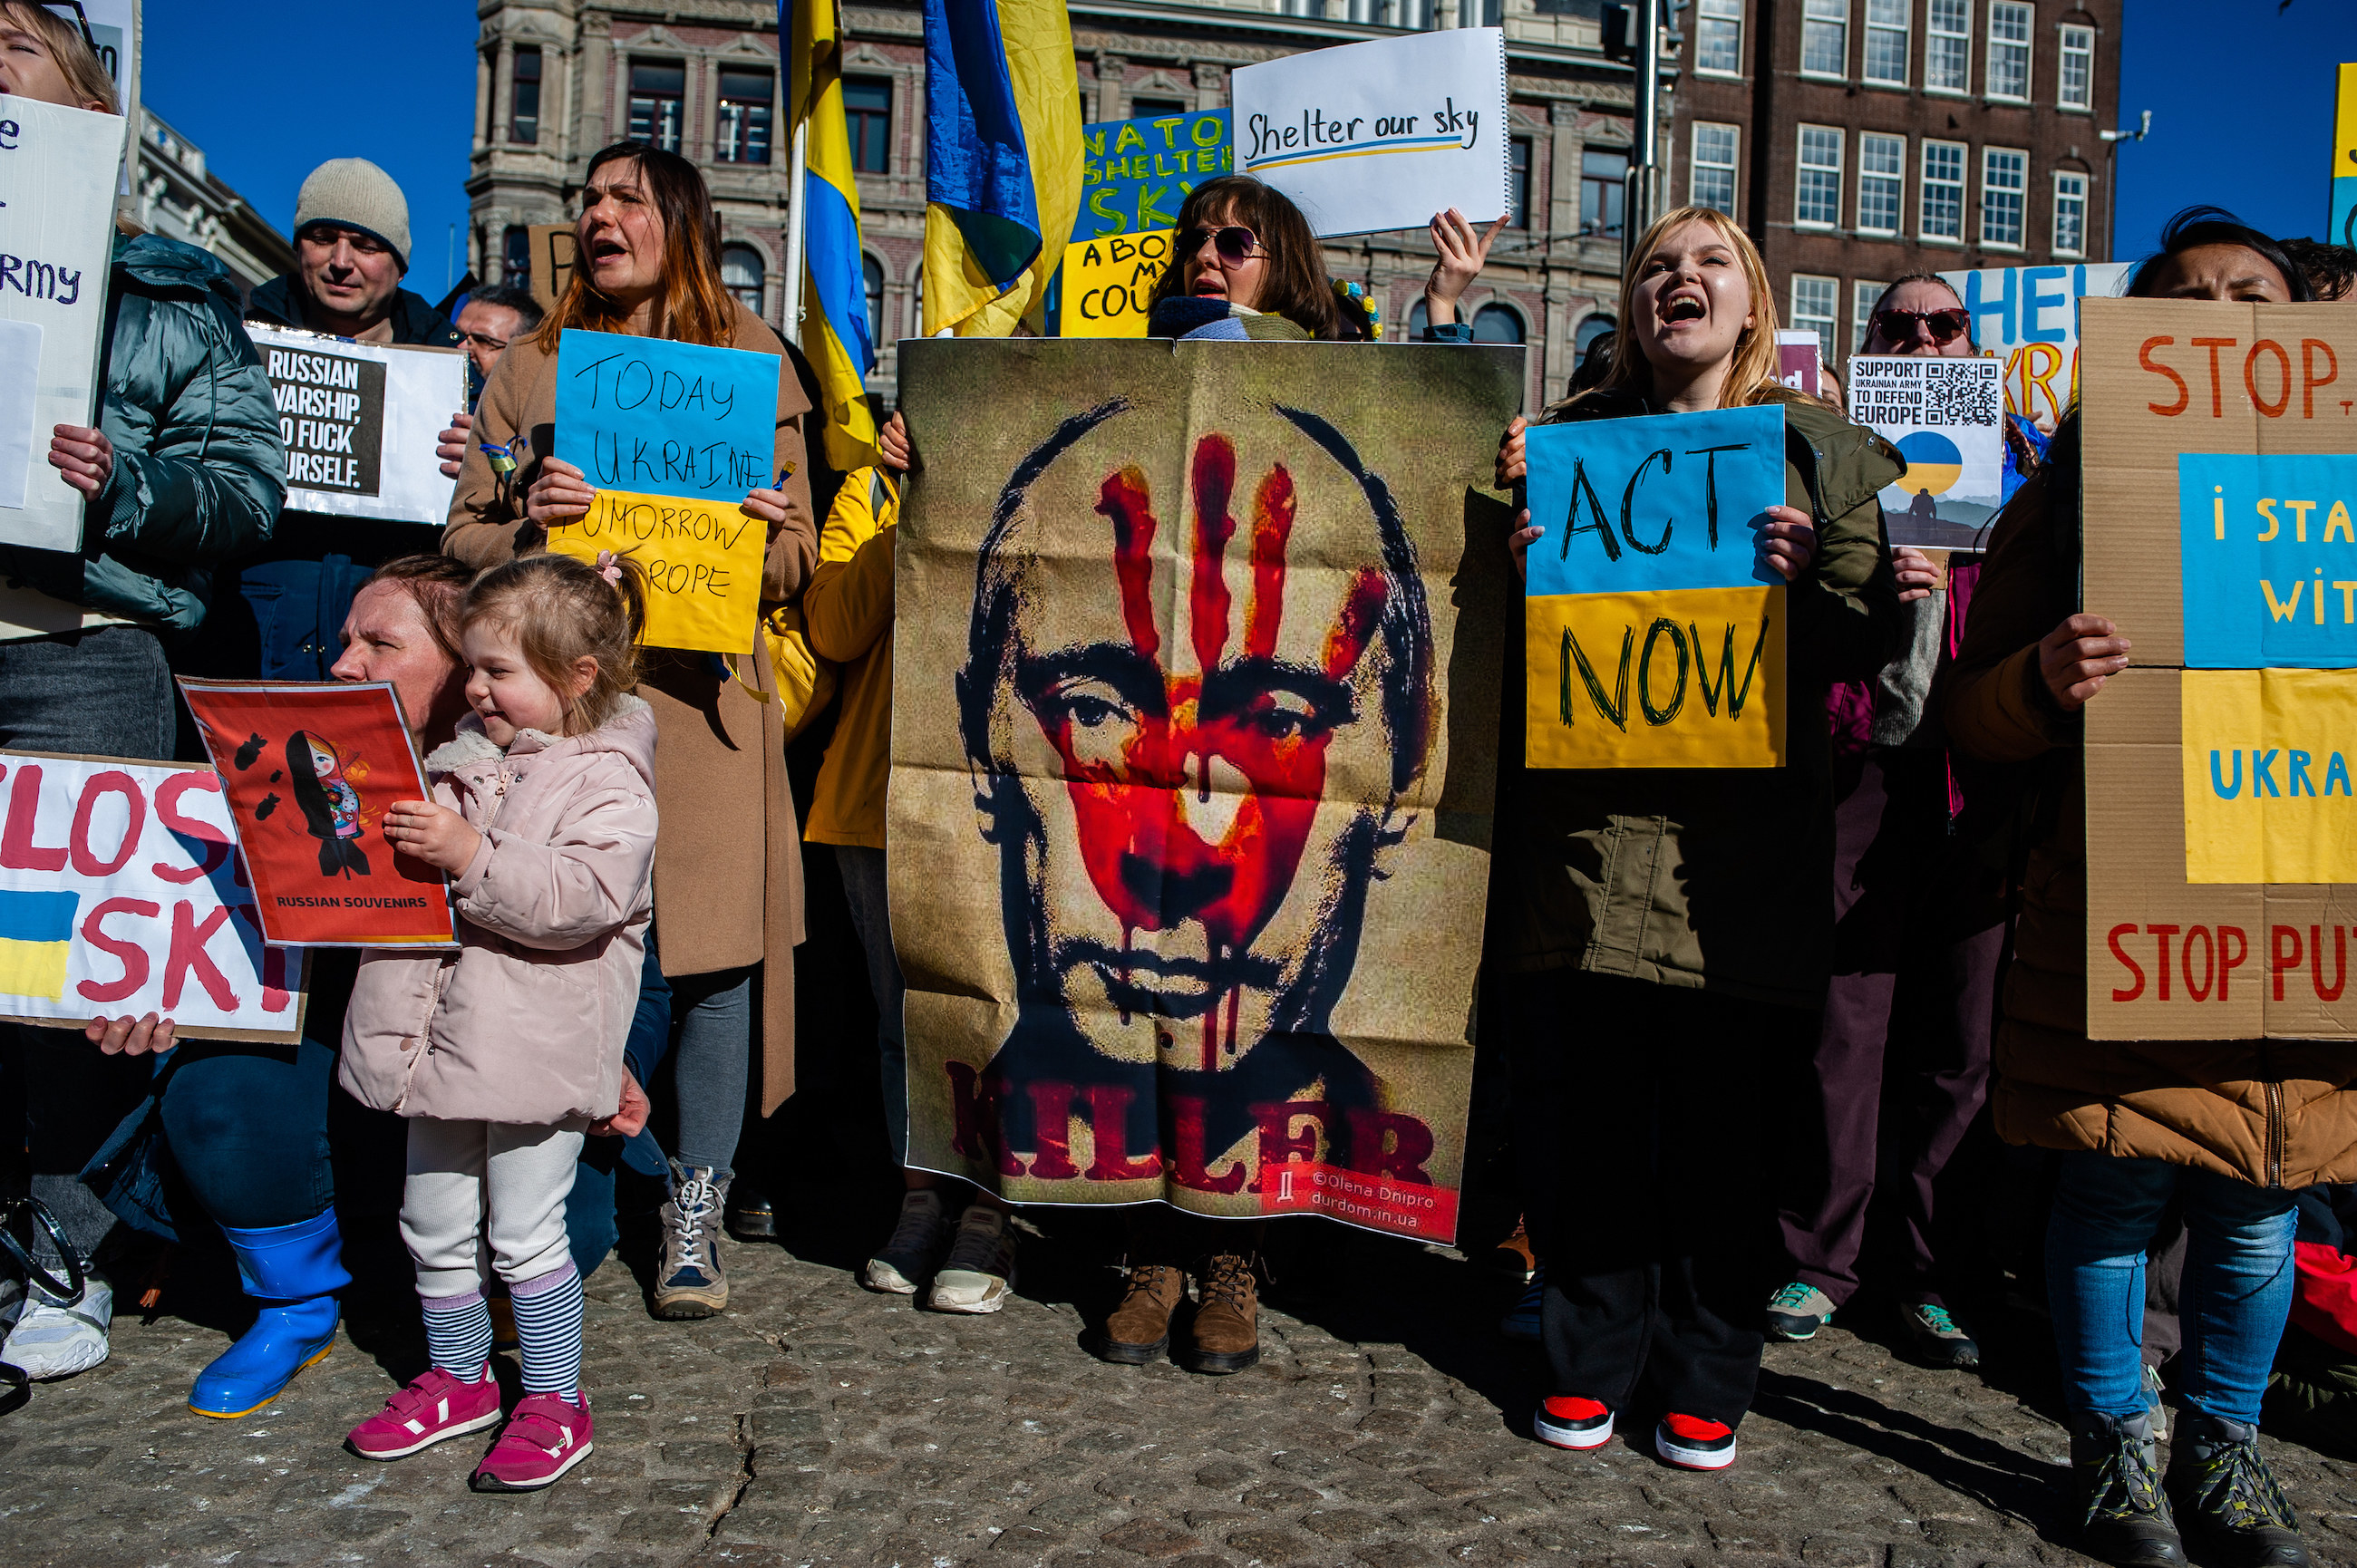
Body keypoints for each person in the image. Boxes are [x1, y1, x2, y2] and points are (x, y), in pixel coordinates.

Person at [1945, 206, 2328, 1568]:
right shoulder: (2078, 494)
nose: (2225, 313)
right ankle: (2115, 1446)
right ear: (2145, 338)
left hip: (2304, 899)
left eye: (2254, 292)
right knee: (2112, 1190)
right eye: (2190, 296)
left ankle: (2225, 1449)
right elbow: (1967, 713)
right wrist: (2039, 685)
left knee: (2264, 1200)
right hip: (2127, 899)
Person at [1495, 206, 1904, 1471]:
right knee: (1600, 1120)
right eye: (1659, 264)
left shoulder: (1822, 456)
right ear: (1632, 306)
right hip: (1594, 847)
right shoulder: (1562, 447)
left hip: (1742, 862)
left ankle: (1708, 1368)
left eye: (1711, 260)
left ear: (1753, 301)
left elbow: (1868, 647)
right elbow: (1489, 634)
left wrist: (1819, 592)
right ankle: (1589, 1355)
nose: (1683, 278)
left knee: (1730, 1132)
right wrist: (1509, 553)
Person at [445, 140, 818, 1322]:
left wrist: (767, 535)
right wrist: (524, 519)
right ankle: (560, 1189)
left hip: (708, 710)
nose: (599, 213)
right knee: (570, 937)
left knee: (710, 963)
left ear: (684, 225)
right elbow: (460, 537)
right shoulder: (529, 366)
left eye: (627, 198)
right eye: (588, 196)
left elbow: (804, 554)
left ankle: (697, 1210)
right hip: (566, 710)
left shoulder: (755, 360)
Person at [0, 0, 286, 1382]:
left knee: (68, 974)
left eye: (12, 39)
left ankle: (67, 1249)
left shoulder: (177, 297)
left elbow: (245, 492)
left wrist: (124, 484)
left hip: (82, 646)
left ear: (89, 97)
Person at [340, 551, 657, 1492]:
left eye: (497, 671)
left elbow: (581, 895)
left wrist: (470, 853)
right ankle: (461, 1376)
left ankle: (556, 1396)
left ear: (577, 678)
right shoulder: (458, 761)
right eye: (470, 667)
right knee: (431, 1219)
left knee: (525, 1230)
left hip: (532, 1049)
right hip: (442, 1044)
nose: (475, 687)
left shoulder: (610, 780)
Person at [1763, 273, 2027, 1370]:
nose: (1920, 336)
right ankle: (1817, 1259)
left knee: (1961, 1033)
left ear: (1974, 344)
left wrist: (1963, 585)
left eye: (1943, 324)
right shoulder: (1834, 461)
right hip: (1863, 758)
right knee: (1847, 1014)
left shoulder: (2025, 467)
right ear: (1867, 343)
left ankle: (1924, 1271)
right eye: (1897, 325)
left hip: (1983, 767)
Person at [212, 160, 466, 686]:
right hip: (248, 632)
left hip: (397, 649)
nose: (341, 262)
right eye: (323, 238)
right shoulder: (230, 345)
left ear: (399, 264)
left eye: (366, 246)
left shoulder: (452, 371)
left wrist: (482, 464)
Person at [437, 286, 548, 482]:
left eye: (482, 340)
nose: (463, 346)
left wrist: (495, 462)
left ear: (525, 354)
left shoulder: (544, 429)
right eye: (458, 335)